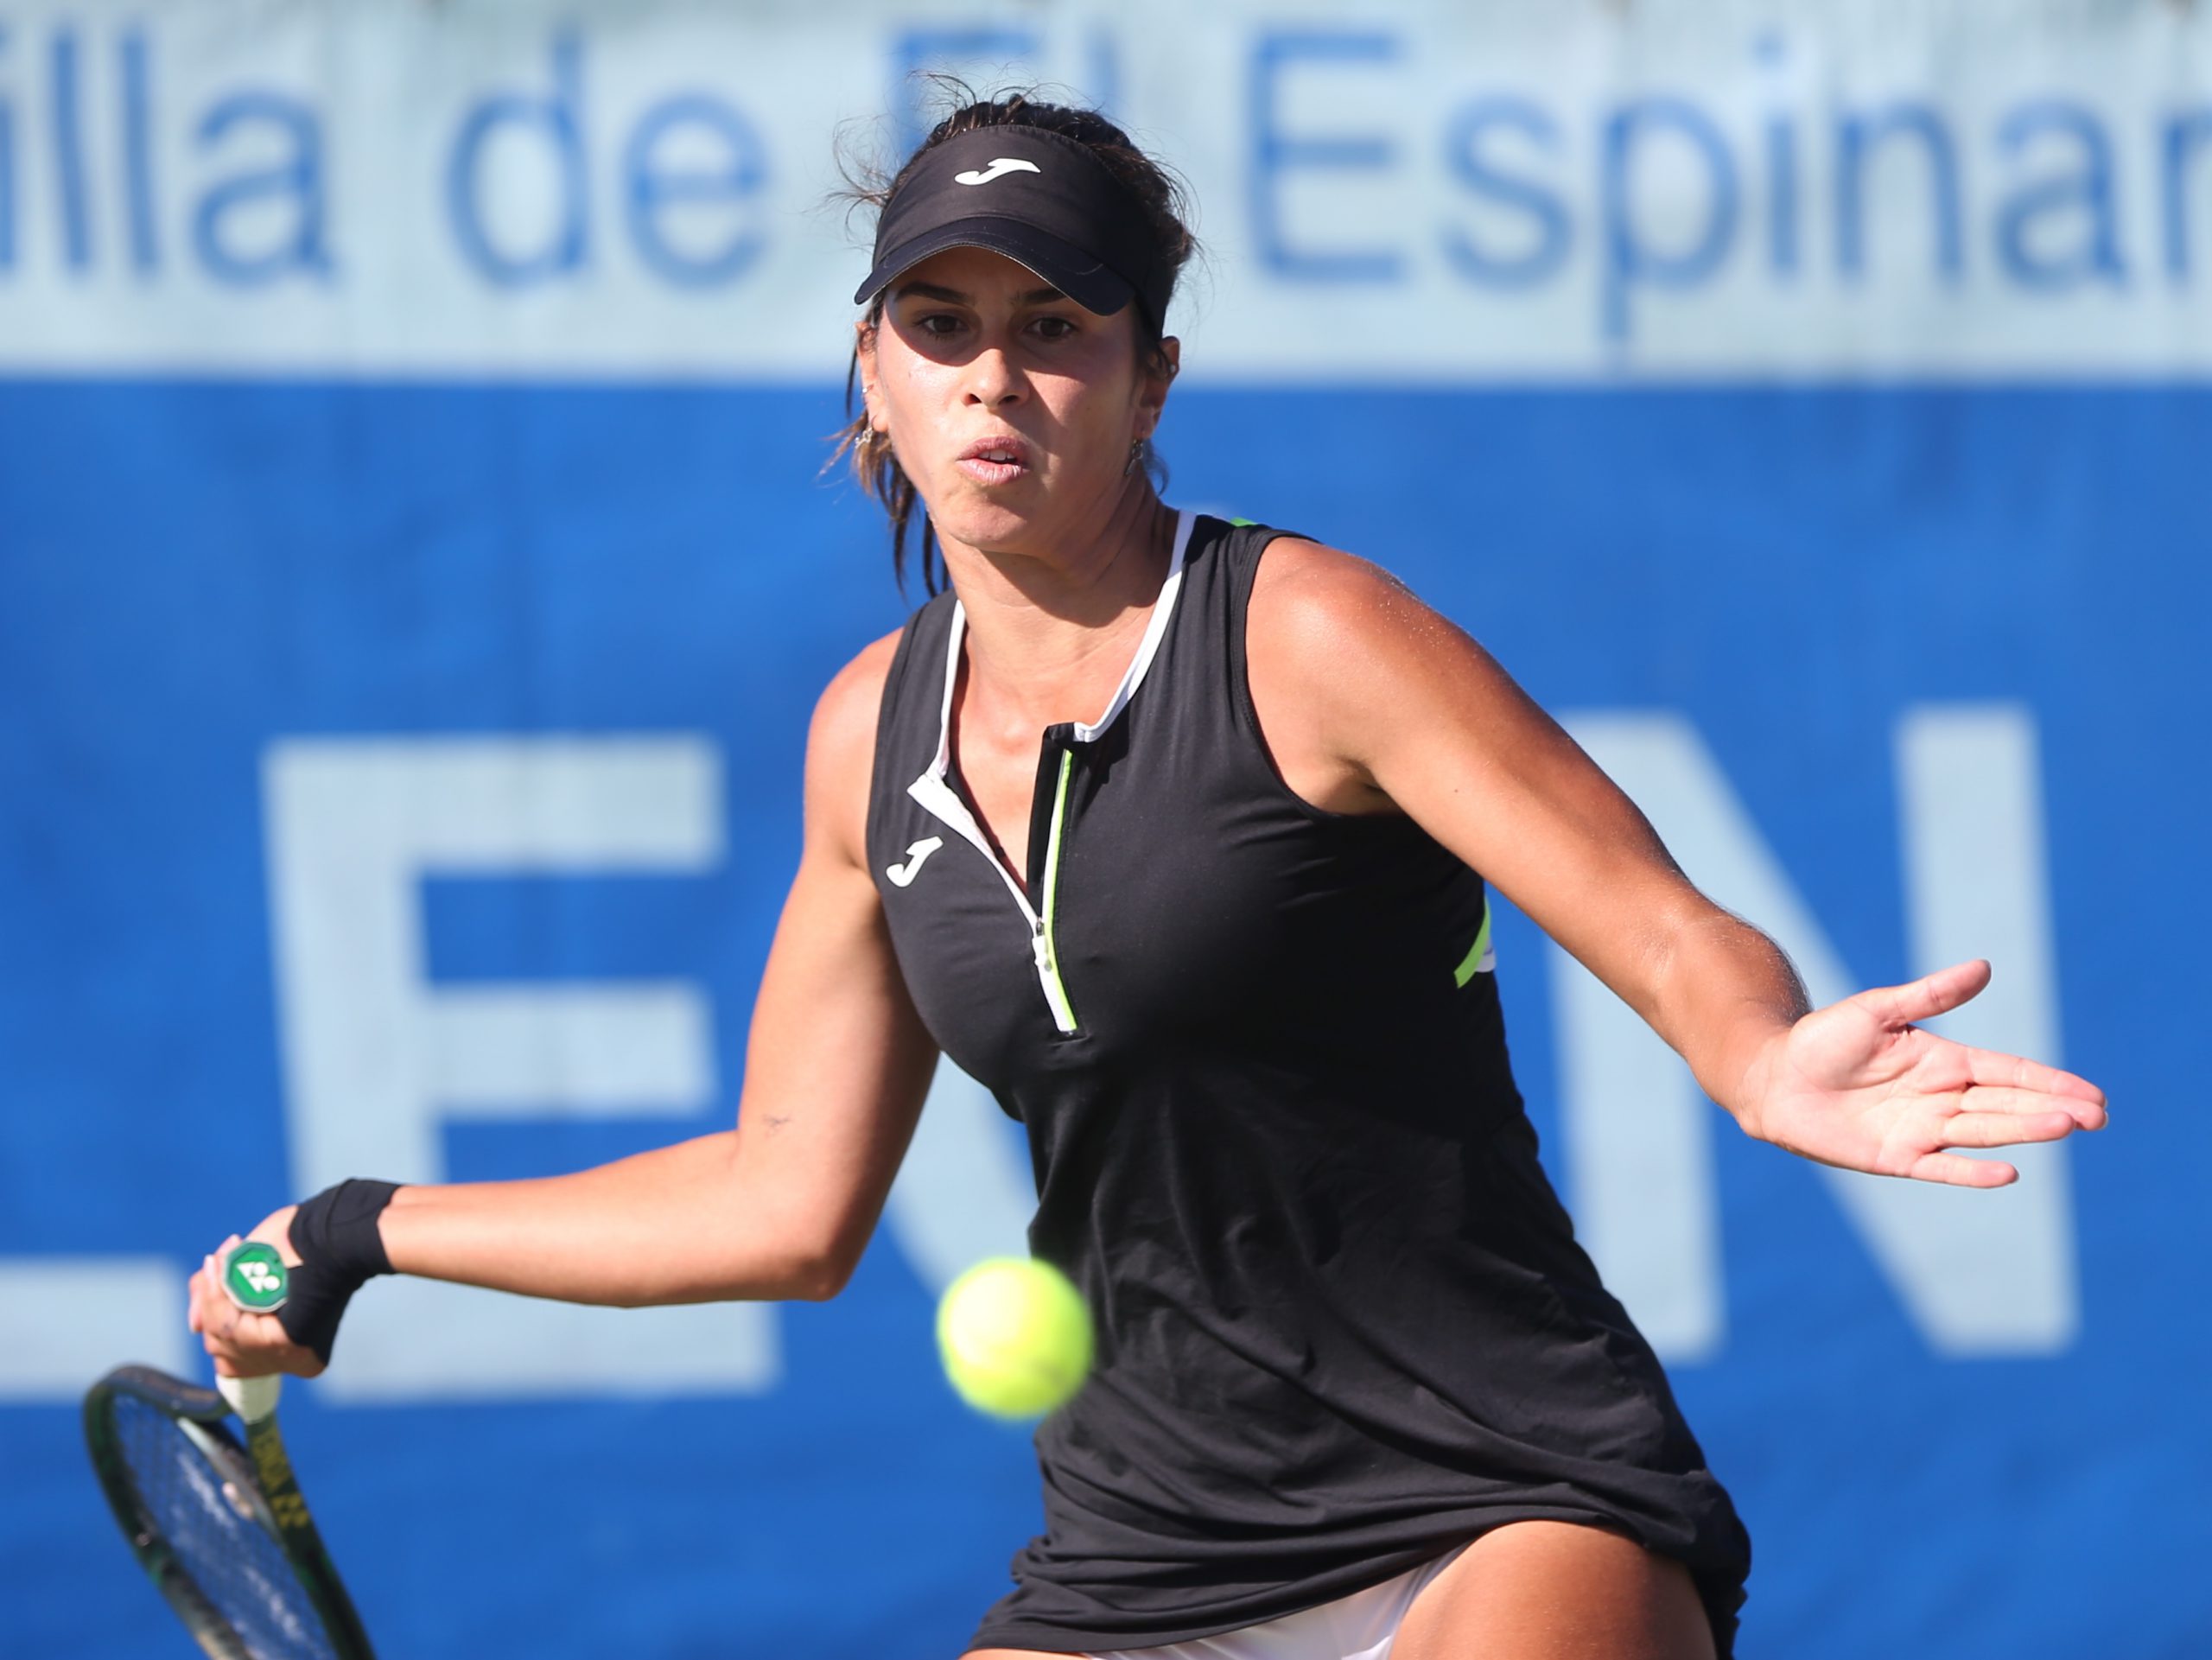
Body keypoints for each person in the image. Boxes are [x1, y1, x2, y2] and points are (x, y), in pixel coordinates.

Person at [188, 92, 2108, 1660]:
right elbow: (781, 1202)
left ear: (1147, 374)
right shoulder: (868, 739)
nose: (992, 382)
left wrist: (1761, 1054)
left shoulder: (1310, 635)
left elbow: (1664, 922)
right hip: (1147, 1551)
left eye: (1053, 329)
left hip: (1500, 1490)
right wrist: (355, 1226)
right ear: (870, 368)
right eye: (936, 327)